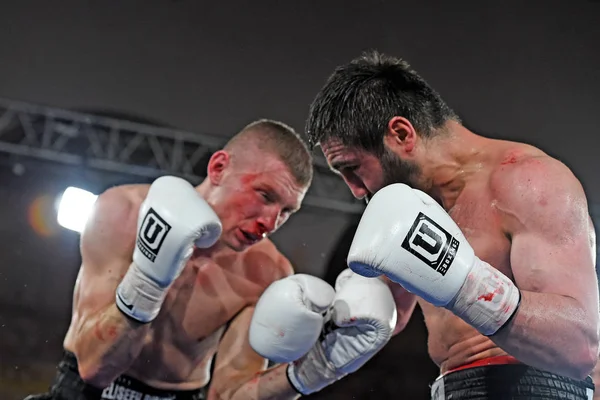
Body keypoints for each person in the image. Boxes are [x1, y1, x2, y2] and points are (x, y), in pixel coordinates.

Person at [26, 118, 396, 400]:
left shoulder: (266, 272)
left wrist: (311, 372)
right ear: (219, 168)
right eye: (265, 195)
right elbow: (93, 367)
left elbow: (229, 394)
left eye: (286, 212)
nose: (270, 222)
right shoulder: (122, 213)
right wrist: (149, 279)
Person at [305, 51, 599, 399]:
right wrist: (331, 318)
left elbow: (579, 347)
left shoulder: (527, 181)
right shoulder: (411, 209)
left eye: (352, 168)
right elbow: (388, 317)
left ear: (401, 134)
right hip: (452, 387)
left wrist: (467, 285)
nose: (355, 190)